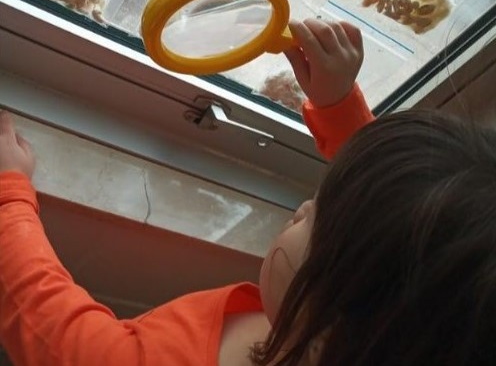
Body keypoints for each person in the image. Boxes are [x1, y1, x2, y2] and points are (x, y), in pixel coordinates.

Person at [0, 19, 494, 366]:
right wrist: (341, 107)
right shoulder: (369, 320)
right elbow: (398, 216)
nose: (303, 205)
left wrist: (9, 193)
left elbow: (51, 328)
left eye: (318, 218)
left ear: (335, 323)